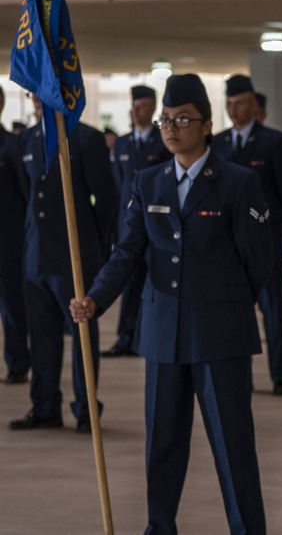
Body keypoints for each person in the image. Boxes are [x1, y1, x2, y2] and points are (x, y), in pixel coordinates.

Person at [70, 74, 271, 534]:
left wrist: (226, 305)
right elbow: (127, 251)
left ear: (207, 125)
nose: (171, 127)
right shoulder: (148, 182)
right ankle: (160, 527)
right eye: (166, 119)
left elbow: (257, 261)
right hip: (162, 332)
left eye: (183, 119)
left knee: (232, 445)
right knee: (162, 444)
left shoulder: (238, 183)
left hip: (219, 335)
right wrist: (96, 299)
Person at [9, 95, 117, 433]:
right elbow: (26, 193)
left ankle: (86, 407)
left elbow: (107, 200)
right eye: (33, 95)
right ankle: (44, 406)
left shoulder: (86, 138)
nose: (37, 102)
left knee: (82, 333)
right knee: (42, 337)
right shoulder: (26, 140)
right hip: (36, 256)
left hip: (74, 257)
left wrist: (94, 247)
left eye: (44, 94)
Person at [214, 74, 282, 395]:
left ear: (254, 105)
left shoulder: (274, 142)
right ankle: (242, 376)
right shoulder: (219, 143)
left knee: (272, 310)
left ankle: (280, 375)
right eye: (229, 104)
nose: (233, 109)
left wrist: (274, 230)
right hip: (228, 247)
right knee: (235, 314)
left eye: (239, 103)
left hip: (265, 243)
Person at [103, 84, 172, 358]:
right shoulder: (122, 142)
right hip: (128, 225)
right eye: (133, 105)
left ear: (153, 107)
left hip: (157, 226)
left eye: (141, 105)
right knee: (130, 284)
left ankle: (156, 336)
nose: (136, 110)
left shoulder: (163, 140)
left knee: (158, 284)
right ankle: (126, 338)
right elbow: (116, 185)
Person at [0, 84, 30, 384]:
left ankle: (18, 362)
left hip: (7, 242)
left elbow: (25, 194)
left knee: (12, 306)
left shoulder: (12, 145)